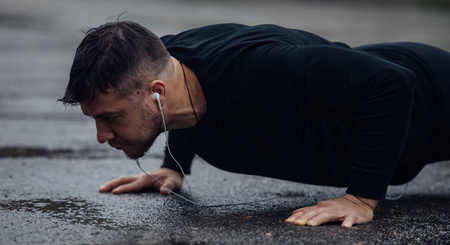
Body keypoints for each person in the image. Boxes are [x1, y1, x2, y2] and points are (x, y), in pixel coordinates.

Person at [59, 21, 450, 227]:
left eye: (110, 118)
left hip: (436, 95)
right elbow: (186, 103)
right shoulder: (169, 71)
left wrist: (361, 198)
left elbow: (392, 84)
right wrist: (172, 167)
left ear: (157, 92)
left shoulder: (260, 68)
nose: (101, 136)